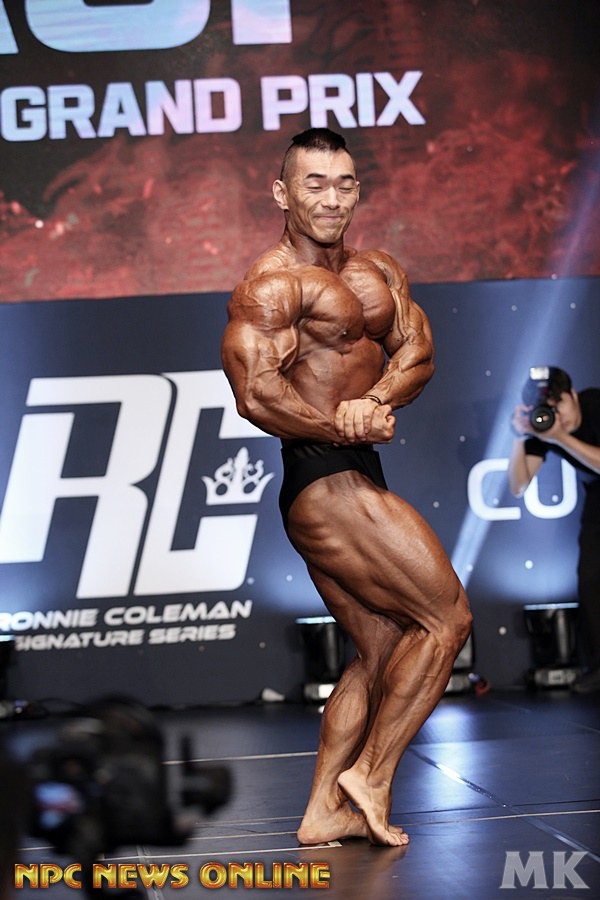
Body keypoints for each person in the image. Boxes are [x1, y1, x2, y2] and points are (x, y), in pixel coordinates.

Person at [221, 127, 472, 846]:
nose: (332, 199)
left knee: (384, 648)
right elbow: (256, 393)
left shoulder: (378, 270)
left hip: (355, 468)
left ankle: (322, 811)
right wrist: (339, 426)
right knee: (447, 620)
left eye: (344, 184)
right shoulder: (270, 285)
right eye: (314, 184)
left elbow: (418, 353)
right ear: (282, 193)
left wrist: (377, 399)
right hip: (320, 478)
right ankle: (372, 776)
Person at [508, 367, 600, 694]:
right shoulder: (544, 428)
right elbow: (518, 485)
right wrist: (519, 436)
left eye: (559, 405)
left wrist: (559, 437)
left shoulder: (595, 404)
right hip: (597, 495)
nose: (556, 417)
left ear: (574, 395)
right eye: (548, 410)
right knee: (590, 578)